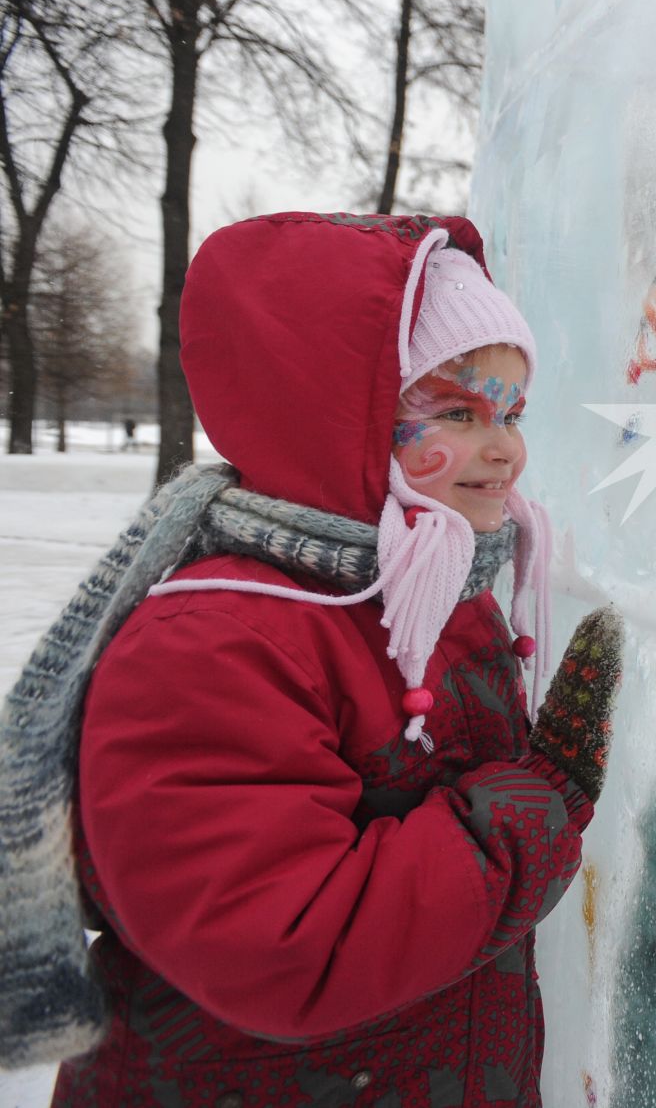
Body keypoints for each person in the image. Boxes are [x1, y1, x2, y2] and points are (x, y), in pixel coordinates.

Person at [0, 213, 622, 1105]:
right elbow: (286, 947)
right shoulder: (217, 642)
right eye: (457, 411)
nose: (506, 448)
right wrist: (537, 805)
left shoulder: (427, 595)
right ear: (332, 414)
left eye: (513, 412)